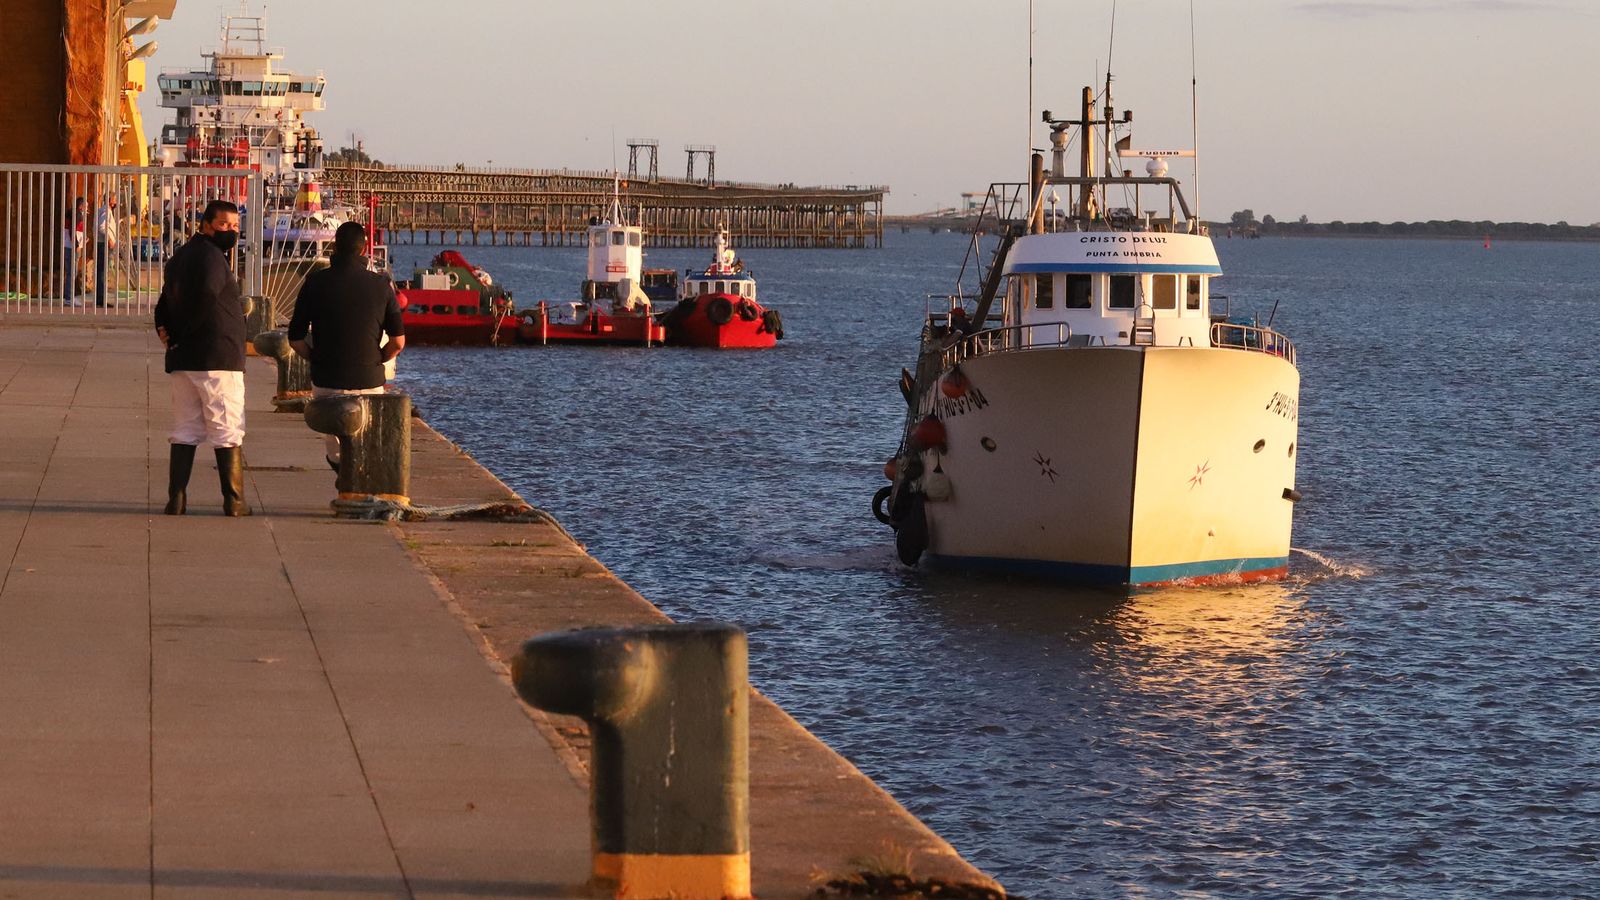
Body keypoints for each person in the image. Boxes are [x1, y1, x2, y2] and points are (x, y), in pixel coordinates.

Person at [152, 199, 251, 517]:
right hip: (217, 357)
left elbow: (164, 300)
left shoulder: (180, 257)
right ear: (206, 224)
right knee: (227, 428)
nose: (231, 231)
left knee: (186, 428)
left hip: (185, 361)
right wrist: (182, 330)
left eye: (235, 226)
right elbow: (206, 296)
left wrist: (165, 328)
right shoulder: (213, 259)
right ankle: (234, 500)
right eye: (224, 225)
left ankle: (176, 499)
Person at [287, 221, 405, 470]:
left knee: (335, 452)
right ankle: (358, 491)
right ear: (363, 250)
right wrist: (377, 360)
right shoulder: (382, 286)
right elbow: (398, 342)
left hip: (327, 380)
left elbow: (295, 339)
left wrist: (316, 358)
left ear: (334, 248)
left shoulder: (315, 283)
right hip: (369, 382)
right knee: (368, 445)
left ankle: (345, 484)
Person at [94, 195, 118, 308]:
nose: (116, 201)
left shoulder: (103, 210)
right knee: (103, 271)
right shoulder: (106, 211)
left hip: (102, 244)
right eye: (115, 199)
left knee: (101, 271)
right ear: (110, 200)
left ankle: (100, 297)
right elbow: (102, 227)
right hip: (104, 244)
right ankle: (101, 298)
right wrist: (109, 239)